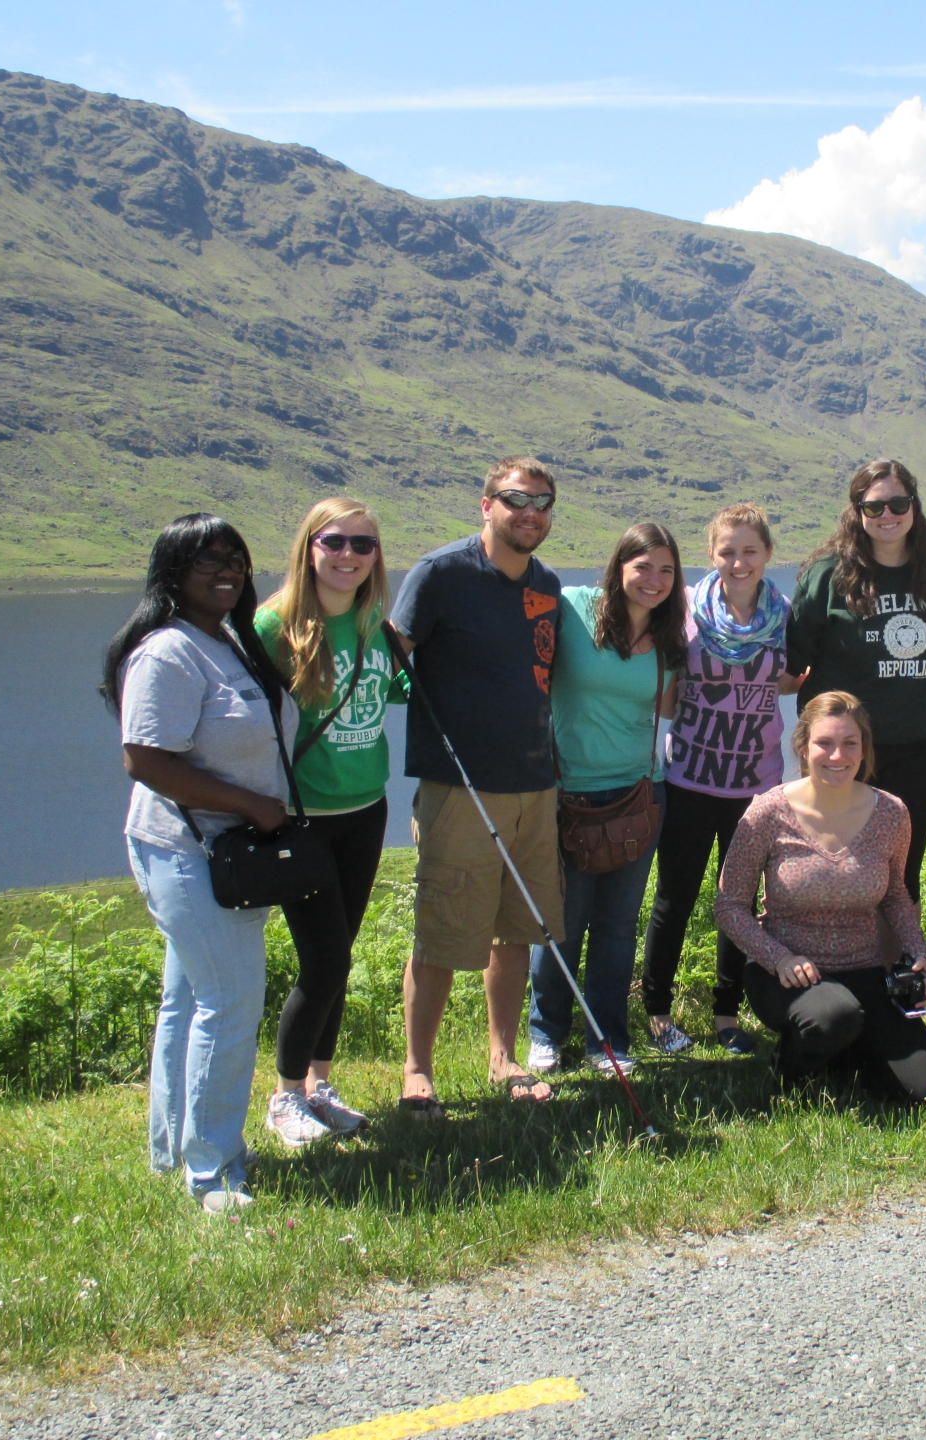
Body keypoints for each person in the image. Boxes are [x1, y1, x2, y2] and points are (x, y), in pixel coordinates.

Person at [101, 514, 295, 1213]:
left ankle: (174, 1149)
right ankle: (214, 1171)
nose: (226, 573)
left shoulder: (228, 643)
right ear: (171, 573)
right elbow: (145, 758)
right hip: (190, 850)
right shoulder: (167, 653)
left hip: (227, 851)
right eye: (207, 561)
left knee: (187, 1001)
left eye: (236, 561)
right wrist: (249, 804)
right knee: (230, 1002)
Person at [389, 457, 563, 1109]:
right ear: (485, 505)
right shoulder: (441, 573)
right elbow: (393, 657)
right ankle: (416, 1069)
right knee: (441, 930)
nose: (531, 513)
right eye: (517, 499)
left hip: (535, 786)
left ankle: (503, 1058)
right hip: (458, 787)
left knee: (515, 931)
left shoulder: (545, 584)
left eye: (543, 503)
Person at [252, 498, 405, 1146]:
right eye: (334, 541)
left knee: (339, 956)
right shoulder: (272, 625)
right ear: (308, 547)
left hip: (366, 810)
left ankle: (319, 1083)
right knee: (322, 962)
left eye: (362, 545)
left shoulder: (375, 623)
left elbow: (403, 690)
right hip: (303, 820)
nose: (348, 556)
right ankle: (284, 1098)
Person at [716, 691, 926, 1104]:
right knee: (832, 1017)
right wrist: (777, 958)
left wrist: (916, 954)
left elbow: (895, 895)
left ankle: (845, 1050)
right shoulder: (767, 812)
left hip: (865, 972)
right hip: (788, 973)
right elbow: (730, 906)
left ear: (864, 750)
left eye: (849, 743)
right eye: (824, 742)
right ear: (803, 746)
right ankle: (790, 1072)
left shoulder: (891, 813)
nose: (836, 755)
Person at [640, 504, 800, 1057]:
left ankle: (726, 1015)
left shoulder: (785, 617)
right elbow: (656, 675)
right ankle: (658, 1016)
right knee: (674, 899)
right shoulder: (683, 609)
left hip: (757, 785)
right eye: (727, 551)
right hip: (688, 777)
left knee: (739, 901)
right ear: (711, 554)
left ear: (767, 556)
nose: (738, 561)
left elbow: (790, 681)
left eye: (749, 551)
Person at [528, 523, 685, 1076]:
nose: (654, 580)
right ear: (619, 566)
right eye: (643, 566)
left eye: (667, 570)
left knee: (618, 927)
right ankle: (547, 1033)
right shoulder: (572, 608)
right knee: (560, 922)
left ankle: (608, 1040)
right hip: (570, 793)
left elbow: (673, 708)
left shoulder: (669, 638)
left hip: (640, 795)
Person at [790, 459, 926, 903]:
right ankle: (831, 962)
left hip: (917, 748)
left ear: (914, 506)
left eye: (898, 503)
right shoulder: (828, 574)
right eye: (874, 506)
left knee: (900, 871)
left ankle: (898, 966)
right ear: (857, 511)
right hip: (842, 751)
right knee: (832, 862)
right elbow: (796, 659)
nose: (887, 515)